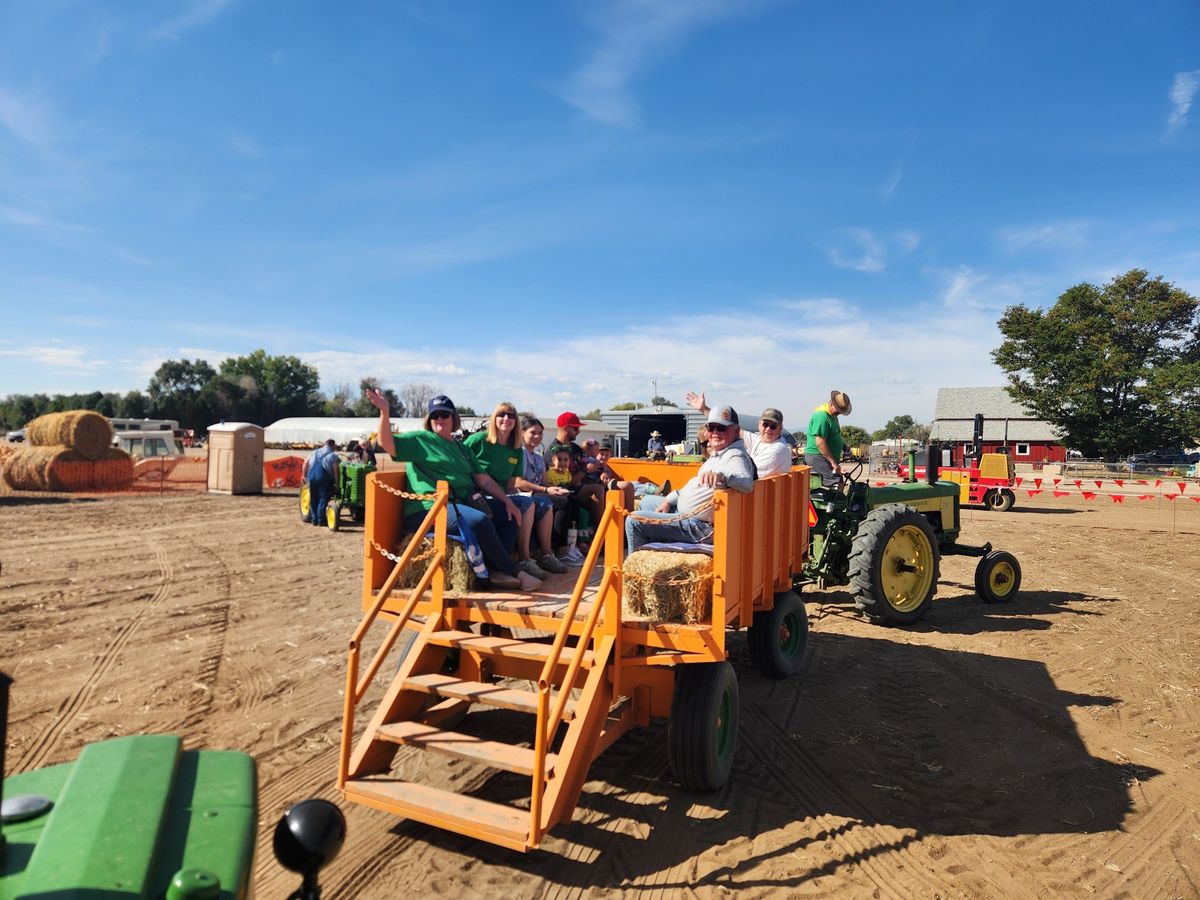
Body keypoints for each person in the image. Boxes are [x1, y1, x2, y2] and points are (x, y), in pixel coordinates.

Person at [366, 388, 540, 591]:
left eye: (445, 414)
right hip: (428, 508)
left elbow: (483, 480)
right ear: (429, 419)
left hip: (459, 505)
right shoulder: (421, 440)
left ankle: (493, 570)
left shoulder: (461, 448)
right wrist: (385, 413)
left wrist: (508, 501)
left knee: (511, 516)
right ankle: (513, 570)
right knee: (479, 520)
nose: (440, 418)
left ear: (453, 418)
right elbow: (387, 443)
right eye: (435, 415)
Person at [625, 405, 755, 552]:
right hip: (687, 515)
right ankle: (649, 552)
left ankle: (633, 570)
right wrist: (668, 500)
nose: (715, 432)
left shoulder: (735, 455)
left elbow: (746, 483)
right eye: (711, 428)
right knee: (647, 501)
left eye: (722, 428)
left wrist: (723, 477)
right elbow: (695, 485)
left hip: (699, 527)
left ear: (736, 431)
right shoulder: (720, 452)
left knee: (634, 520)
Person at [465, 402, 557, 580]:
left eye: (511, 416)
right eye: (502, 415)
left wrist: (514, 498)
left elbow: (512, 481)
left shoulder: (515, 450)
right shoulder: (478, 440)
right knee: (523, 504)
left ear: (516, 422)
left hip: (498, 495)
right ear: (494, 418)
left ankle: (528, 559)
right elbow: (459, 457)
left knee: (524, 505)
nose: (506, 419)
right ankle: (519, 560)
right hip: (474, 494)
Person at [512, 417, 572, 572]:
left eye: (540, 433)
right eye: (533, 433)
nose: (537, 436)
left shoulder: (538, 457)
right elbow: (518, 483)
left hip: (537, 493)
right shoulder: (519, 453)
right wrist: (546, 490)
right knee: (553, 503)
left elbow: (544, 482)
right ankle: (556, 550)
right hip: (521, 495)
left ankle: (550, 553)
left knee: (567, 499)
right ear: (522, 432)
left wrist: (555, 489)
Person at [686, 391, 792, 477]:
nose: (768, 429)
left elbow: (747, 474)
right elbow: (732, 428)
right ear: (759, 424)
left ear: (780, 428)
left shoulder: (778, 450)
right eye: (765, 425)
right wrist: (704, 409)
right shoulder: (759, 440)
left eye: (773, 426)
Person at [547, 412, 606, 533]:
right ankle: (601, 536)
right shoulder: (554, 451)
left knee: (625, 486)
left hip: (587, 484)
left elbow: (594, 463)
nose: (578, 431)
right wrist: (586, 470)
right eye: (575, 428)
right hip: (569, 491)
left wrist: (603, 473)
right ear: (565, 427)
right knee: (598, 489)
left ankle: (625, 533)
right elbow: (563, 483)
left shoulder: (575, 448)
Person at [805, 390, 852, 488]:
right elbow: (820, 442)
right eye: (839, 410)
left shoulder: (833, 416)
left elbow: (833, 434)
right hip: (817, 456)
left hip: (823, 458)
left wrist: (843, 447)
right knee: (835, 482)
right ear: (832, 404)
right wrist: (833, 462)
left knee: (838, 480)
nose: (840, 413)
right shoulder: (822, 416)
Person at [301, 439, 339, 526]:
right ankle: (321, 519)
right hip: (324, 477)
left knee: (313, 497)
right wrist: (337, 483)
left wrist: (303, 475)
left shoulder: (313, 453)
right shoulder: (332, 456)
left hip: (312, 477)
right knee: (323, 498)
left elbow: (305, 464)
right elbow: (335, 470)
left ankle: (314, 519)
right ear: (332, 446)